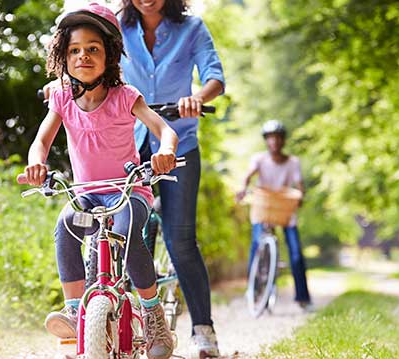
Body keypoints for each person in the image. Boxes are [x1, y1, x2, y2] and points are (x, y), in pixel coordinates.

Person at [21, 4, 179, 358]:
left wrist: (165, 151)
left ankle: (153, 313)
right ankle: (76, 308)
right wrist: (36, 165)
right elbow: (41, 142)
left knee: (127, 233)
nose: (83, 56)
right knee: (65, 227)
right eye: (74, 50)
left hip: (127, 191)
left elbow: (164, 130)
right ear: (63, 56)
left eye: (93, 49)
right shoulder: (61, 97)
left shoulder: (125, 96)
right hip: (87, 195)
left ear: (110, 54)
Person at [118, 0, 226, 357]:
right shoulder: (117, 28)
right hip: (130, 147)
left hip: (180, 144)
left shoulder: (191, 29)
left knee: (180, 241)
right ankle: (125, 322)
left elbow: (215, 76)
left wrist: (196, 98)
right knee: (126, 233)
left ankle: (202, 328)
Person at [235, 120, 312, 310]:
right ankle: (253, 289)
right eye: (270, 138)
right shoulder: (259, 160)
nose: (274, 142)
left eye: (278, 138)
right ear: (266, 141)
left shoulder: (292, 162)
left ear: (283, 141)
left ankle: (303, 298)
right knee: (256, 244)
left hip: (284, 207)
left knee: (295, 254)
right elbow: (248, 175)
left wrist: (301, 195)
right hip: (265, 207)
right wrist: (243, 188)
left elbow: (299, 183)